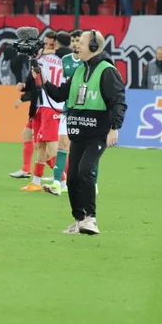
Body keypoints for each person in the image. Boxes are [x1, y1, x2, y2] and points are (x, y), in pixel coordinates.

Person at [36, 29, 127, 236]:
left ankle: (91, 219)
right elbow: (60, 95)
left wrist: (114, 127)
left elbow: (118, 100)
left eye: (82, 43)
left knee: (86, 170)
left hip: (97, 133)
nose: (76, 45)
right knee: (72, 179)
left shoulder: (107, 70)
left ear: (93, 48)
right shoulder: (78, 70)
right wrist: (41, 77)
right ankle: (79, 220)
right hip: (78, 131)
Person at [21, 30, 65, 193]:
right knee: (40, 144)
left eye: (50, 44)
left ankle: (62, 181)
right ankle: (36, 180)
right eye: (45, 44)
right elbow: (35, 80)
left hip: (51, 104)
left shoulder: (47, 60)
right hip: (41, 104)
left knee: (51, 144)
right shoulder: (63, 60)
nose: (47, 47)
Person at [46, 29, 81, 196]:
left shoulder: (88, 62)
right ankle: (57, 183)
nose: (75, 43)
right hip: (67, 109)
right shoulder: (65, 60)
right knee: (63, 145)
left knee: (80, 148)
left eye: (78, 40)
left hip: (83, 111)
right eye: (73, 40)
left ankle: (89, 183)